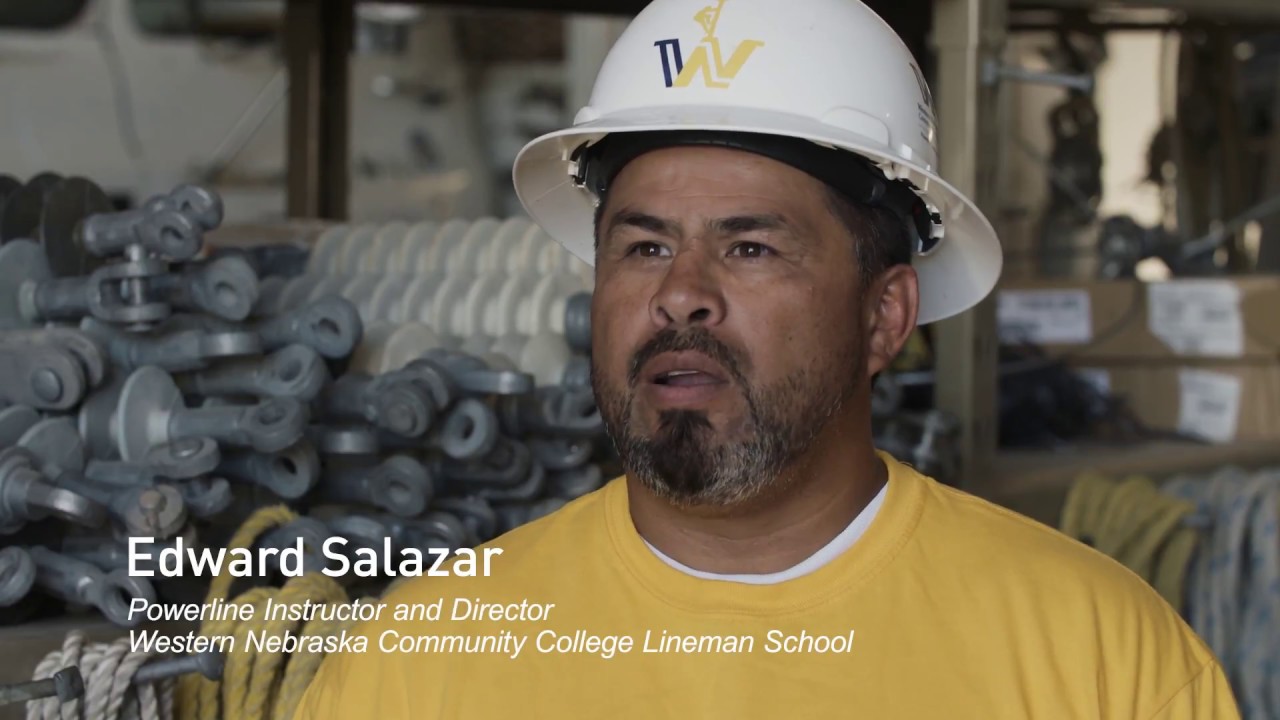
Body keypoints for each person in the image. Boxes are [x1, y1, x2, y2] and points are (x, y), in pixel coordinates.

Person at [297, 0, 1239, 716]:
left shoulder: (1100, 659)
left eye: (750, 247)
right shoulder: (417, 666)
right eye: (644, 246)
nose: (681, 294)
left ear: (884, 316)